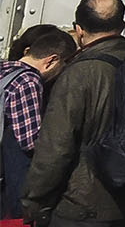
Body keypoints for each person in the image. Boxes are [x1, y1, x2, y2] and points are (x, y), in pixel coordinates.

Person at [21, 0, 125, 227]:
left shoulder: (79, 73)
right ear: (121, 26)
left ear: (78, 30)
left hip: (79, 206)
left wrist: (33, 201)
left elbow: (56, 147)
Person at [1, 26, 75, 217]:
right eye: (64, 66)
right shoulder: (28, 80)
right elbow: (29, 140)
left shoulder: (4, 68)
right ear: (51, 60)